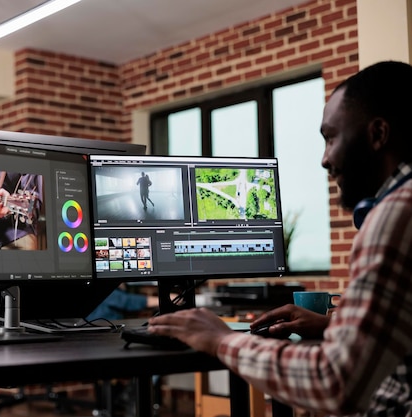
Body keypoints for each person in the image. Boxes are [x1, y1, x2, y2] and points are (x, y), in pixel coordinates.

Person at [147, 60, 412, 416]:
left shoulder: (397, 214)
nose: (324, 159)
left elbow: (334, 383)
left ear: (378, 135)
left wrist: (223, 339)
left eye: (331, 138)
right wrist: (336, 325)